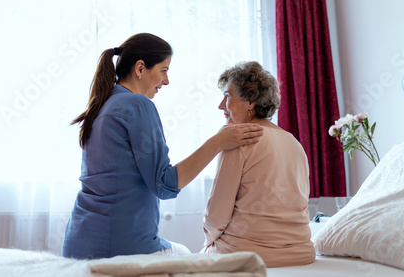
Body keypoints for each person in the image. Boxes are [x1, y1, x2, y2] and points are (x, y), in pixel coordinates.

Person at [62, 33, 263, 259]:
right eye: (164, 70)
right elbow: (164, 184)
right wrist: (218, 142)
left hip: (77, 243)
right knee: (189, 255)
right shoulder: (137, 104)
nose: (166, 81)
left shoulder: (103, 104)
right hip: (117, 248)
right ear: (140, 68)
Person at [202, 61, 315, 268]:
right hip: (301, 253)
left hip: (247, 255)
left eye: (228, 96)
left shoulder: (238, 139)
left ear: (251, 101)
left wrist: (207, 243)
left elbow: (216, 218)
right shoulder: (294, 143)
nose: (221, 105)